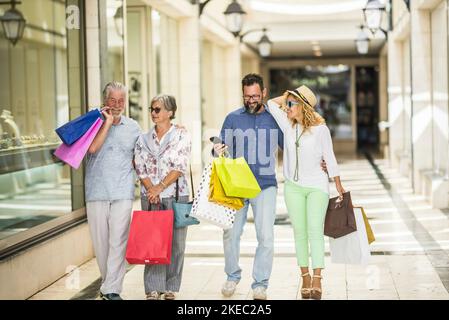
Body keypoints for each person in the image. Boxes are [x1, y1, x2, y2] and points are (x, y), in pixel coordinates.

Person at [267, 85, 345, 300]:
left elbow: (330, 157)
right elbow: (271, 104)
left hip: (317, 186)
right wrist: (287, 96)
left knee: (314, 231)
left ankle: (318, 277)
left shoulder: (321, 130)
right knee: (299, 232)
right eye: (288, 103)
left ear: (304, 107)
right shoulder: (287, 125)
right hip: (293, 187)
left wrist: (338, 184)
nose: (287, 107)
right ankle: (305, 277)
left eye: (291, 104)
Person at [213, 73, 284, 300]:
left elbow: (292, 146)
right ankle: (232, 276)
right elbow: (219, 144)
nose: (251, 100)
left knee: (266, 236)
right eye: (247, 96)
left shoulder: (275, 119)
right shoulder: (233, 118)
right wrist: (216, 148)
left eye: (255, 95)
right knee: (230, 233)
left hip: (265, 185)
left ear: (263, 93)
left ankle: (260, 283)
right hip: (237, 186)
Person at [85, 81, 142, 300]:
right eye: (113, 100)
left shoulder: (133, 127)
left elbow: (144, 152)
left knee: (118, 242)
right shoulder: (93, 123)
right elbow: (91, 148)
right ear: (105, 100)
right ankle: (107, 284)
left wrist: (174, 129)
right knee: (101, 244)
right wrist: (107, 122)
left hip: (122, 192)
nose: (117, 104)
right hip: (97, 192)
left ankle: (112, 289)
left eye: (121, 100)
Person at [134, 94, 192, 300]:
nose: (153, 113)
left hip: (175, 196)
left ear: (170, 112)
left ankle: (171, 286)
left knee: (176, 244)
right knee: (153, 241)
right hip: (150, 196)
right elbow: (139, 165)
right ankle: (152, 287)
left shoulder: (181, 136)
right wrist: (151, 190)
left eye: (157, 109)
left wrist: (159, 187)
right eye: (152, 109)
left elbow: (180, 165)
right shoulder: (142, 138)